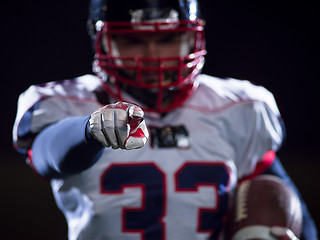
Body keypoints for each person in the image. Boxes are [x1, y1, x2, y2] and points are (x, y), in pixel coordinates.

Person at [12, 0, 318, 239]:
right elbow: (45, 157)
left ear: (192, 37)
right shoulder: (66, 102)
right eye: (133, 41)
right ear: (103, 41)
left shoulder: (239, 107)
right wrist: (88, 131)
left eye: (168, 38)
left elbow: (276, 189)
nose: (152, 54)